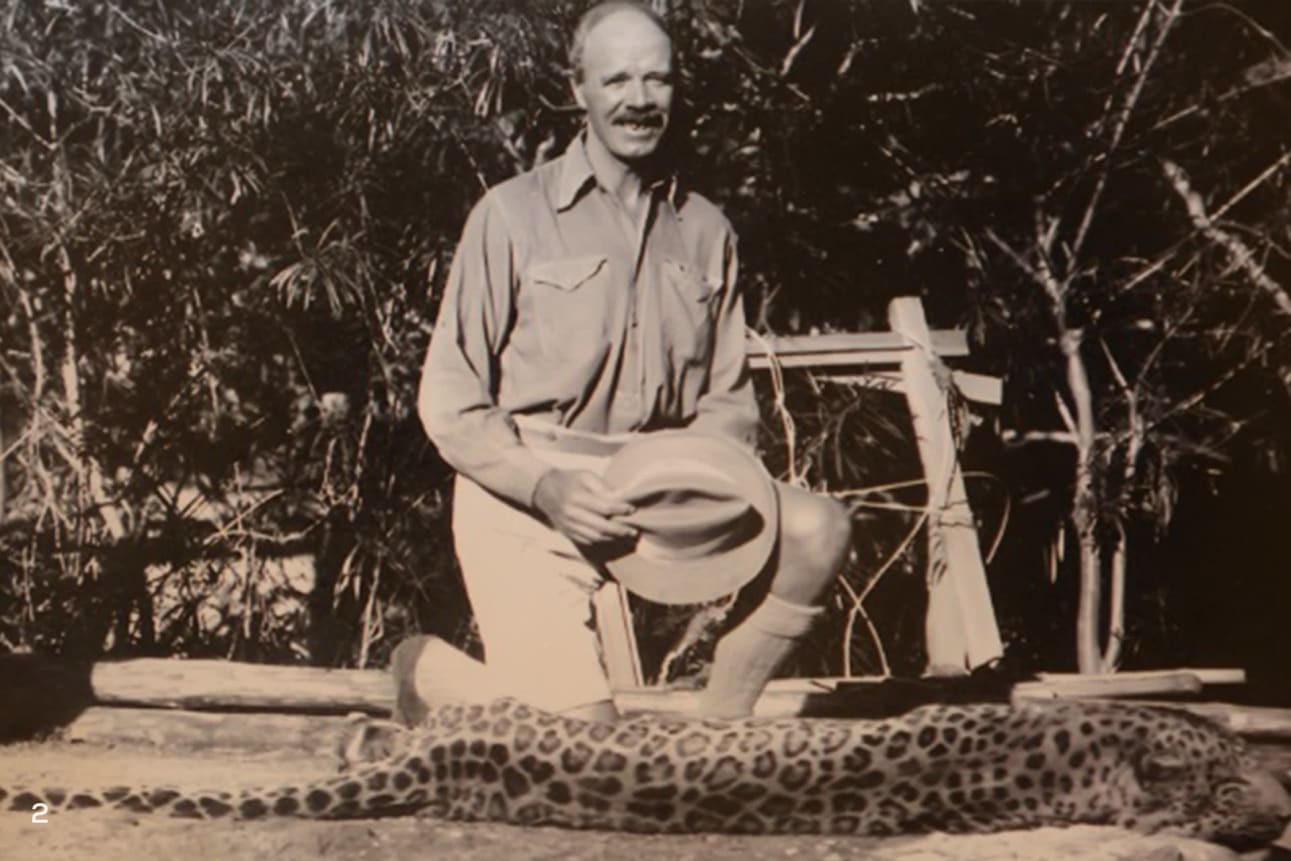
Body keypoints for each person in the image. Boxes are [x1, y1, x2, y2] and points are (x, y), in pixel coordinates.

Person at [418, 0, 852, 724]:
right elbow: (450, 399)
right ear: (577, 88)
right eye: (616, 79)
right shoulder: (509, 216)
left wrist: (691, 480)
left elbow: (726, 397)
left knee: (819, 528)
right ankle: (436, 676)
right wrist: (545, 486)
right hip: (530, 502)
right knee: (591, 750)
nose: (639, 100)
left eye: (658, 80)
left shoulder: (706, 228)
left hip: (656, 488)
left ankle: (719, 729)